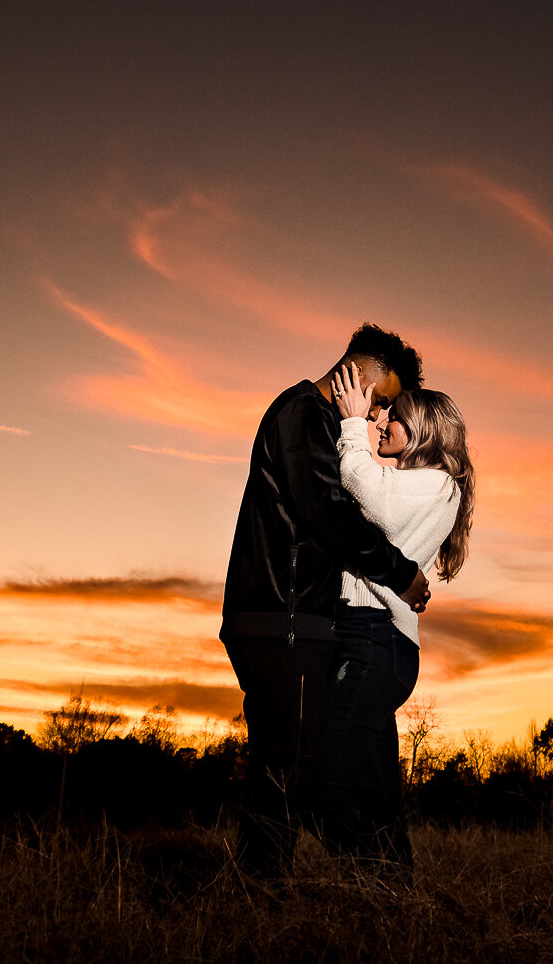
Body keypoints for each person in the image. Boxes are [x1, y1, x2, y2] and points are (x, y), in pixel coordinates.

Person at [218, 324, 433, 873]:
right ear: (358, 374)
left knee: (294, 765)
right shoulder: (302, 414)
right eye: (381, 400)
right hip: (280, 620)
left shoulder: (312, 421)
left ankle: (270, 887)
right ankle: (260, 892)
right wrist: (400, 574)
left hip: (289, 619)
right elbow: (328, 514)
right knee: (284, 767)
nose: (379, 416)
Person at [315, 362, 474, 878]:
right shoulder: (422, 483)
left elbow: (371, 496)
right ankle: (395, 897)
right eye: (380, 416)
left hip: (372, 640)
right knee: (378, 791)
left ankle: (370, 877)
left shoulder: (436, 484)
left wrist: (352, 425)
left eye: (393, 419)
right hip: (374, 643)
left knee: (327, 779)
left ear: (423, 432)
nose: (382, 423)